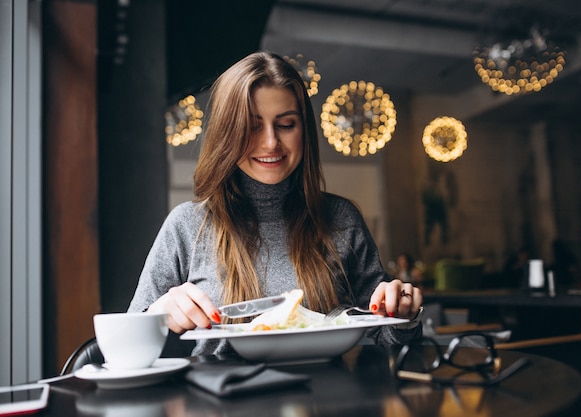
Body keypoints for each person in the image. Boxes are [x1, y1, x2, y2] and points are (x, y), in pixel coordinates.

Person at [128, 51, 423, 355]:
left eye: (285, 124)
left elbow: (389, 342)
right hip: (219, 400)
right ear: (227, 133)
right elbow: (126, 350)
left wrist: (401, 315)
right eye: (253, 126)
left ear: (303, 130)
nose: (270, 142)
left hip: (327, 398)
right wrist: (158, 315)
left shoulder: (341, 218)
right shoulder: (187, 225)